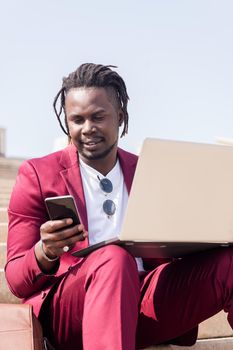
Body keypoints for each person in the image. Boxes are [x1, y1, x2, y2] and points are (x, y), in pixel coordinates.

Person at [5, 63, 233, 350]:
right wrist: (45, 250)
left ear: (121, 116)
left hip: (143, 302)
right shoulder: (37, 175)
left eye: (98, 117)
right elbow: (15, 281)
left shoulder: (148, 170)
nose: (88, 129)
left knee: (230, 262)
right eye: (77, 120)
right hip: (72, 312)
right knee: (114, 257)